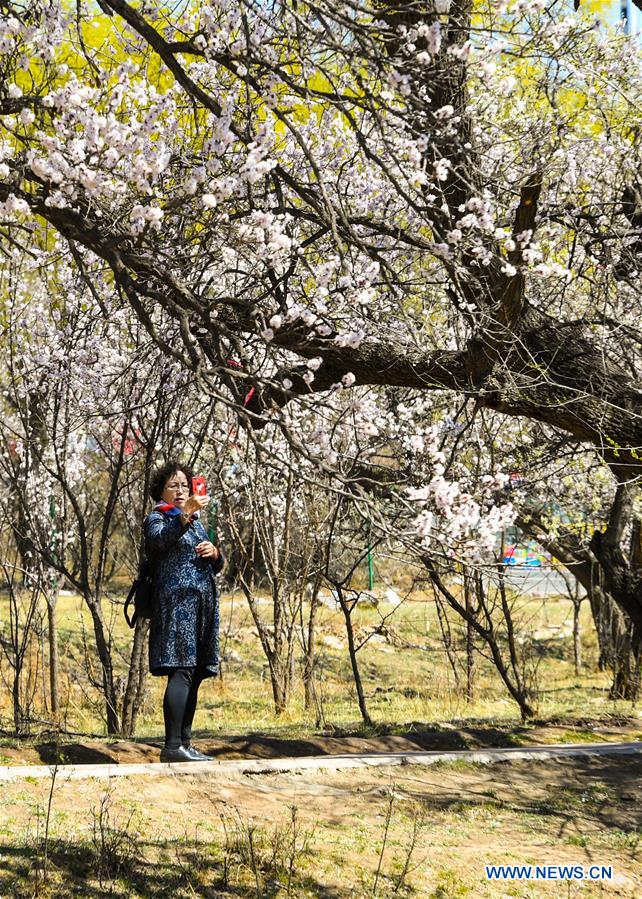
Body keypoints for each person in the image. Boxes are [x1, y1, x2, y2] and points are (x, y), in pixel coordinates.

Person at [144, 461, 224, 762]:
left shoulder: (195, 520)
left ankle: (185, 743)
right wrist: (186, 513)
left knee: (195, 672)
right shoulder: (157, 518)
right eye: (173, 486)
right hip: (177, 606)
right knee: (181, 669)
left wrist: (215, 554)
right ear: (161, 492)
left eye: (184, 485)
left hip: (201, 607)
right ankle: (172, 745)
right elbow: (159, 542)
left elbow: (215, 562)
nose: (181, 491)